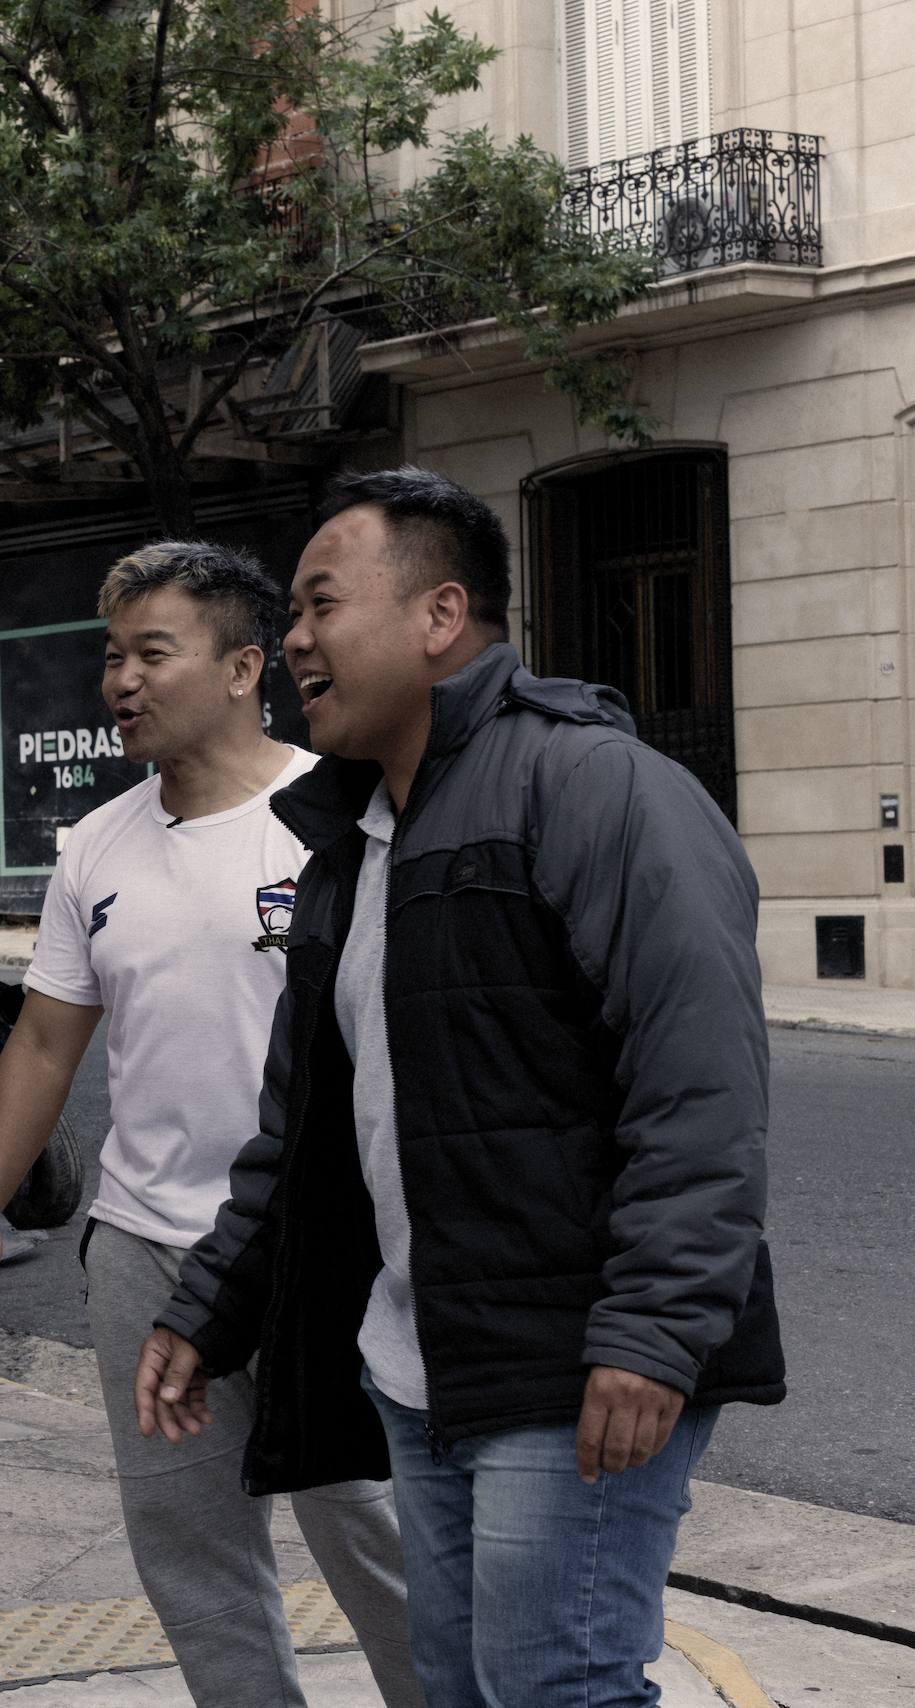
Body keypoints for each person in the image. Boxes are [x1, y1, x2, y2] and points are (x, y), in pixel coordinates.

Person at [137, 467, 787, 1708]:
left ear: (441, 617)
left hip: (572, 1368)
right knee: (456, 1691)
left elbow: (699, 1089)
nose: (294, 642)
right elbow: (309, 1123)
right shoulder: (349, 841)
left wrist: (651, 1335)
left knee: (555, 1687)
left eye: (323, 605)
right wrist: (209, 1307)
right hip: (419, 1369)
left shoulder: (595, 788)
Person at [0, 541, 422, 1707]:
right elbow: (49, 1040)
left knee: (373, 1529)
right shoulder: (95, 846)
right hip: (147, 1249)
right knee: (188, 1546)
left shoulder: (335, 819)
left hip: (312, 1248)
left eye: (153, 652)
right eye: (112, 656)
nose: (121, 681)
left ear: (245, 664)